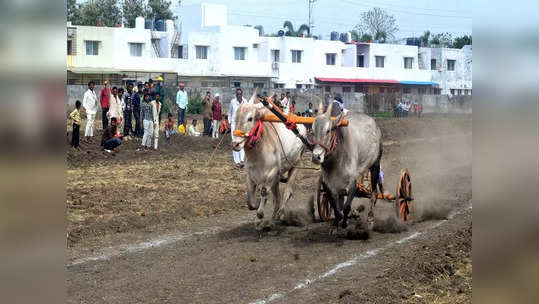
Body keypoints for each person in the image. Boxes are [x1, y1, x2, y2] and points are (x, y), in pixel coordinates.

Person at [228, 88, 246, 167]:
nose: (239, 95)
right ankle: (237, 161)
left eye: (240, 94)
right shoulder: (232, 102)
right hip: (234, 125)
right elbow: (230, 112)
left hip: (242, 126)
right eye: (237, 94)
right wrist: (229, 123)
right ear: (236, 94)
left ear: (242, 94)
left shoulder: (245, 102)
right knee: (235, 143)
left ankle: (242, 160)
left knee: (241, 142)